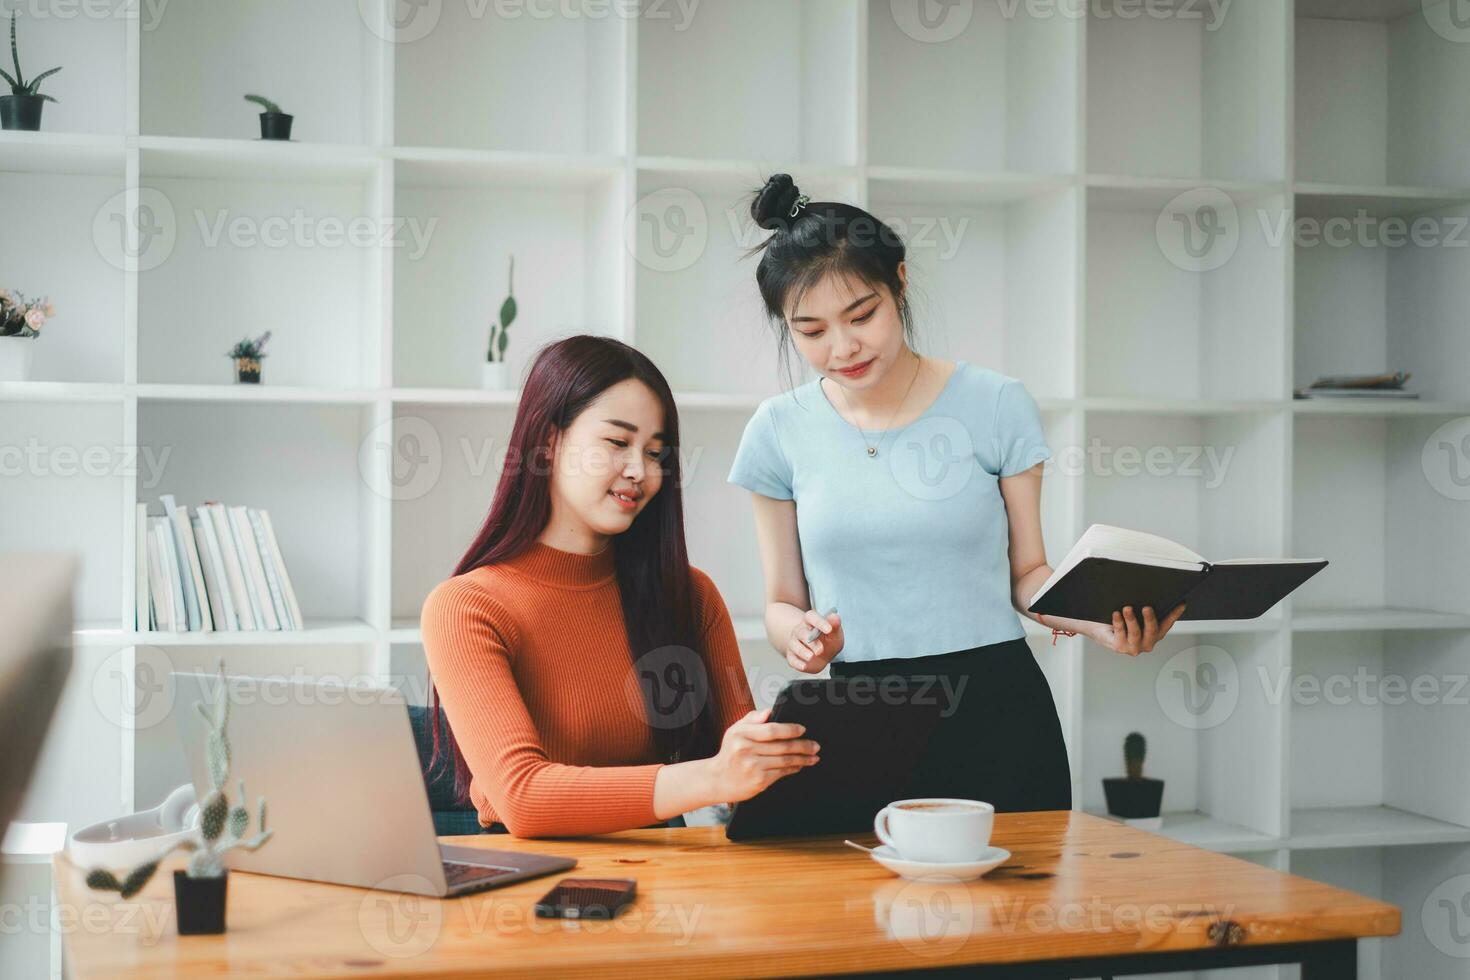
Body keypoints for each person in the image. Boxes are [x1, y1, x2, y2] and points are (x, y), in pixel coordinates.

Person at [726, 174, 1185, 813]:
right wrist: (797, 637)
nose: (844, 347)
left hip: (997, 709)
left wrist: (1101, 625)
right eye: (811, 331)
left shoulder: (995, 403)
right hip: (862, 717)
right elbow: (781, 601)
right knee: (862, 908)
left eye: (863, 315)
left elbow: (1027, 576)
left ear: (901, 284)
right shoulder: (777, 431)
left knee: (1018, 908)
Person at [421, 335, 819, 838]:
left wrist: (787, 742)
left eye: (656, 453)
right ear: (548, 441)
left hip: (670, 885)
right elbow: (523, 798)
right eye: (617, 442)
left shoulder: (690, 597)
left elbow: (742, 761)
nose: (641, 471)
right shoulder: (467, 607)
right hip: (533, 891)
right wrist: (714, 777)